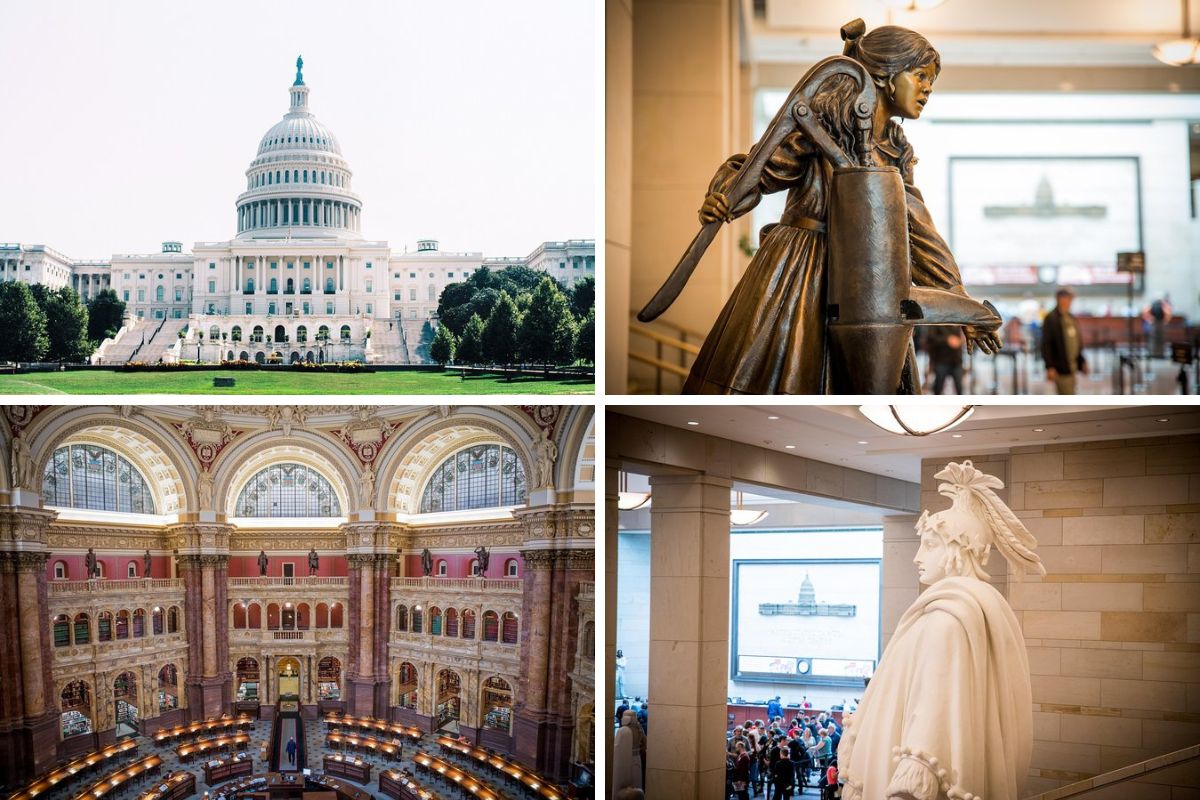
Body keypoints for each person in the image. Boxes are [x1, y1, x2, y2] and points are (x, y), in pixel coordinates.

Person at [682, 19, 999, 394]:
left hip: (869, 287)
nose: (928, 89)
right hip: (802, 270)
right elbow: (761, 167)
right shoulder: (825, 125)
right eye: (921, 76)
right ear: (885, 75)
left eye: (931, 81)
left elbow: (918, 231)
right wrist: (724, 195)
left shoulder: (895, 148)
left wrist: (958, 301)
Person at [836, 460, 1045, 800]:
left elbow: (932, 711)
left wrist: (912, 780)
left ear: (959, 551)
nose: (918, 557)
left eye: (931, 545)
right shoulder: (985, 606)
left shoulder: (947, 617)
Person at [1041, 287, 1087, 394]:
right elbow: (1046, 344)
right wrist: (1049, 367)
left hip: (1072, 367)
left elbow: (1077, 341)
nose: (1070, 302)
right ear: (1060, 299)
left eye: (1071, 299)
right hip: (1060, 367)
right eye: (1068, 298)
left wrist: (1082, 361)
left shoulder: (1071, 317)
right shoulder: (1051, 318)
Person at [923, 325, 964, 395]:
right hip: (941, 360)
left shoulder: (957, 322)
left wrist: (961, 340)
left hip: (956, 360)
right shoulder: (936, 322)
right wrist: (947, 339)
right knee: (938, 387)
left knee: (959, 387)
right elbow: (931, 338)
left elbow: (960, 337)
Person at [612, 710, 644, 793]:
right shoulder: (639, 728)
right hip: (637, 759)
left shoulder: (623, 730)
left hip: (624, 760)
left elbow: (617, 748)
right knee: (636, 783)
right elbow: (645, 743)